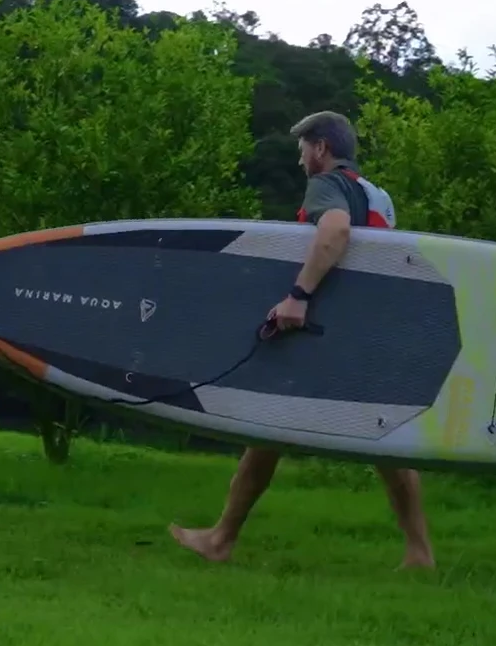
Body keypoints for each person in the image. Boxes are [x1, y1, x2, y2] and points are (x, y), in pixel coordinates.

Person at [168, 110, 436, 570]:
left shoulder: (327, 185)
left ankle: (221, 540)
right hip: (369, 329)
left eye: (302, 151)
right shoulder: (378, 195)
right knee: (380, 441)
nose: (300, 161)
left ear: (320, 149)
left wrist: (298, 295)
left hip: (326, 329)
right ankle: (419, 553)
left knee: (267, 427)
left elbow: (335, 231)